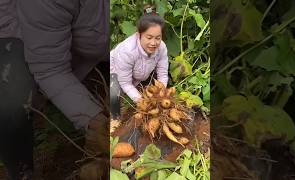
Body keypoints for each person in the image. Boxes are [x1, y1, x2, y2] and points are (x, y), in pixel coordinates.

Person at [0, 0, 109, 179]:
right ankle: (23, 173)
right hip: (24, 35)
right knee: (11, 101)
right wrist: (93, 121)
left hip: (86, 37)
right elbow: (50, 67)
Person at [110, 5, 169, 120]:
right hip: (116, 72)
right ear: (139, 34)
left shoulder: (161, 47)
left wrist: (161, 95)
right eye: (149, 37)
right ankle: (114, 120)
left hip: (141, 71)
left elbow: (162, 73)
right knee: (115, 94)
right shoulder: (127, 51)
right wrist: (141, 101)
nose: (153, 43)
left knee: (153, 92)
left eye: (158, 38)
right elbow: (125, 83)